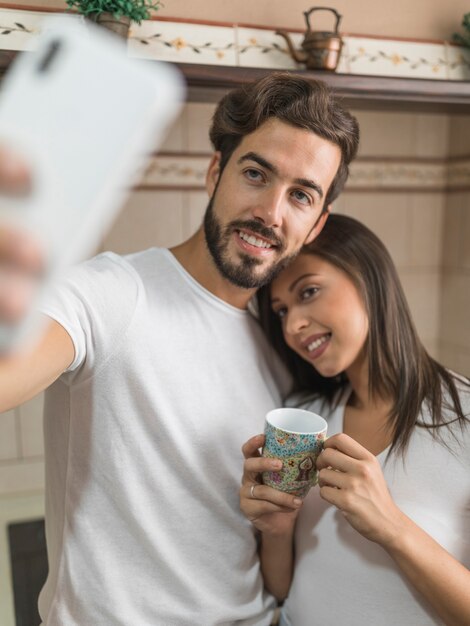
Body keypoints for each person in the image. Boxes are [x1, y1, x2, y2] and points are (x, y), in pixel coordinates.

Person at [0, 74, 359, 625]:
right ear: (216, 171)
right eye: (256, 173)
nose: (271, 211)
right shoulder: (110, 293)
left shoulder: (284, 346)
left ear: (315, 225)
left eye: (301, 195)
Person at [240, 213, 470, 626]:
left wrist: (391, 525)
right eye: (281, 311)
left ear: (369, 277)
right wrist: (276, 529)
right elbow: (282, 588)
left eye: (308, 291)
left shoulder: (464, 420)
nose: (292, 326)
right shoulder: (307, 416)